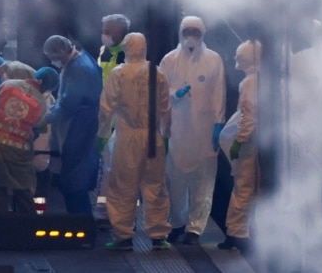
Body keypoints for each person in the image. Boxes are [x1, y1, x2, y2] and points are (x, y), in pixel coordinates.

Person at [97, 32, 172, 251]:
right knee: (156, 187)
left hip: (127, 136)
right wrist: (165, 135)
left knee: (122, 187)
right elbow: (166, 108)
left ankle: (123, 236)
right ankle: (159, 236)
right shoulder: (157, 73)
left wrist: (101, 136)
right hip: (153, 137)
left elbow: (106, 108)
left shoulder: (119, 73)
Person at [159, 16, 226, 245]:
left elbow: (219, 94)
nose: (191, 36)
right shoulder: (169, 60)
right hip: (177, 130)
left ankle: (195, 229)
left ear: (202, 34)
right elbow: (160, 91)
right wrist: (174, 93)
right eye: (187, 31)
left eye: (195, 32)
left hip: (205, 132)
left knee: (203, 182)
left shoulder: (213, 60)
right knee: (175, 181)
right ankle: (176, 223)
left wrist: (219, 123)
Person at [0, 67, 60, 216]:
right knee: (22, 187)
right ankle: (28, 229)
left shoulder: (9, 84)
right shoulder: (42, 105)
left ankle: (1, 227)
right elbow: (38, 126)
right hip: (17, 151)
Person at [43, 35, 102, 215]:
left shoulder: (79, 69)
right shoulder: (81, 61)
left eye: (53, 57)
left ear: (60, 53)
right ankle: (80, 222)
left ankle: (81, 223)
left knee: (74, 177)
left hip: (79, 126)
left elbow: (69, 103)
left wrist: (46, 117)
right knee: (76, 175)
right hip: (82, 123)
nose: (53, 61)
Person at [217, 40, 261, 254]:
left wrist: (240, 140)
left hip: (248, 142)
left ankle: (237, 233)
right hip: (251, 141)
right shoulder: (257, 80)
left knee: (242, 187)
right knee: (247, 188)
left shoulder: (249, 83)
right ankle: (239, 232)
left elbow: (248, 115)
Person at [94, 13, 130, 231]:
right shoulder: (105, 52)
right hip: (107, 118)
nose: (105, 34)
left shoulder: (127, 56)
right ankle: (103, 211)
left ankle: (122, 215)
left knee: (121, 173)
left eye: (109, 31)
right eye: (104, 29)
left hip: (121, 122)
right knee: (105, 171)